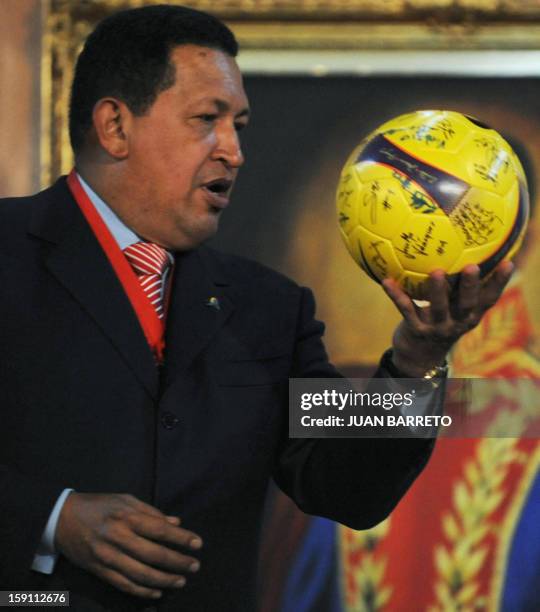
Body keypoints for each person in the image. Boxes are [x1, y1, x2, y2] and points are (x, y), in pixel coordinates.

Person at [0, 4, 513, 611]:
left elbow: (346, 484)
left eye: (238, 125)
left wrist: (418, 355)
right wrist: (54, 517)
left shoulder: (269, 308)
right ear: (115, 126)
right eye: (206, 120)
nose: (234, 151)